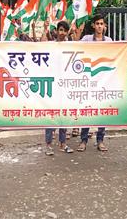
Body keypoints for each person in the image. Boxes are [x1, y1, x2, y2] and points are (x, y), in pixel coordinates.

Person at [77, 14, 112, 152]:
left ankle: (100, 140)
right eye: (97, 23)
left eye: (101, 23)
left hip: (103, 80)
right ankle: (83, 140)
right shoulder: (86, 39)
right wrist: (77, 32)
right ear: (93, 25)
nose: (99, 26)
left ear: (104, 26)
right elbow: (75, 48)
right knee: (87, 110)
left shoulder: (109, 41)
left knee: (102, 110)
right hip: (88, 80)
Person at [45, 20, 74, 156]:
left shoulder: (71, 46)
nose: (62, 33)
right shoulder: (51, 46)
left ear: (67, 32)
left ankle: (63, 144)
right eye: (60, 30)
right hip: (52, 85)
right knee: (51, 115)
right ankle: (48, 145)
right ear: (56, 31)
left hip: (66, 85)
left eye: (64, 30)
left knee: (64, 115)